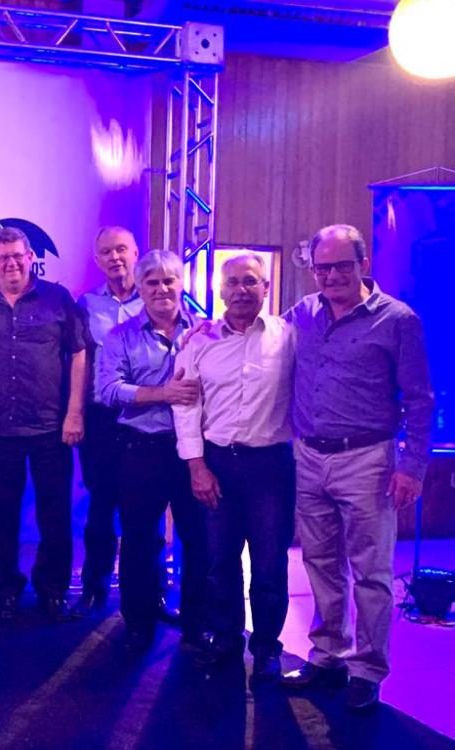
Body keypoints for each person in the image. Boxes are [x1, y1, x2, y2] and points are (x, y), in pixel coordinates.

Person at [281, 224, 433, 712]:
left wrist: (412, 467)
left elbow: (420, 400)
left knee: (371, 571)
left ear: (363, 264)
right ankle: (328, 655)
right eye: (321, 268)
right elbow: (258, 340)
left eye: (341, 266)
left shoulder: (398, 319)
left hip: (368, 459)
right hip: (309, 456)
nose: (331, 276)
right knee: (320, 563)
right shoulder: (303, 313)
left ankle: (367, 670)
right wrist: (209, 329)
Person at [172, 252, 295, 684]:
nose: (241, 290)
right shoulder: (198, 341)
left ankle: (266, 649)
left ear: (265, 287)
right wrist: (196, 466)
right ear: (220, 290)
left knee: (269, 564)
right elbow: (186, 408)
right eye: (232, 283)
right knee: (219, 560)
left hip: (271, 467)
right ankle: (226, 639)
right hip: (217, 462)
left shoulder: (289, 337)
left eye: (250, 281)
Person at [0, 226, 88, 621]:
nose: (12, 264)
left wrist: (74, 412)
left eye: (18, 256)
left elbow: (78, 353)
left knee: (54, 515)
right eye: (3, 258)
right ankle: (7, 589)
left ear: (31, 258)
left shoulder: (58, 298)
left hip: (51, 428)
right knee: (2, 514)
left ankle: (53, 590)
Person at [95, 249, 206, 654]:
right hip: (141, 448)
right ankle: (138, 623)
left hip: (195, 454)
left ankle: (197, 624)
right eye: (152, 282)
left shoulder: (206, 331)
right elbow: (107, 390)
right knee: (140, 540)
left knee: (199, 540)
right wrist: (163, 394)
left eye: (168, 280)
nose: (161, 289)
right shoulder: (120, 336)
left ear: (182, 283)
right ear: (140, 288)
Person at [73, 226, 143, 617]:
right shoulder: (86, 304)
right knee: (100, 505)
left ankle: (148, 589)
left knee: (144, 508)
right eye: (106, 252)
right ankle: (94, 586)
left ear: (135, 253)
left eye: (121, 249)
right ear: (97, 260)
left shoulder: (156, 297)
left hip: (147, 417)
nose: (115, 257)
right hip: (102, 418)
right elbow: (80, 361)